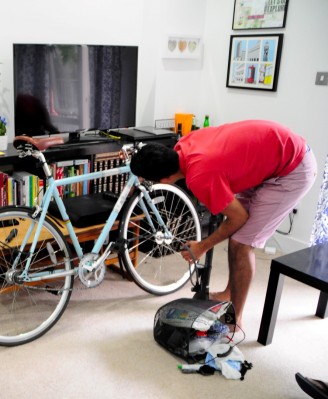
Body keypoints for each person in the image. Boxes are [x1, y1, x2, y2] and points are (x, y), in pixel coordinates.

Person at [130, 119, 317, 327]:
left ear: (164, 180)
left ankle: (234, 321)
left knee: (241, 244)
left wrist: (203, 246)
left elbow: (239, 217)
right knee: (237, 236)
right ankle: (229, 294)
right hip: (273, 155)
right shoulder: (183, 144)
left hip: (293, 169)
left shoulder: (200, 176)